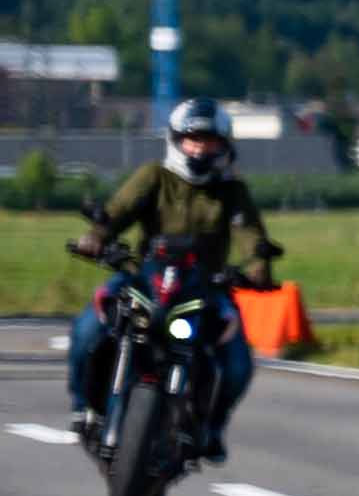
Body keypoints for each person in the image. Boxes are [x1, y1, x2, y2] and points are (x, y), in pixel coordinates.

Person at [68, 97, 282, 445]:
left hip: (206, 286)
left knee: (239, 362)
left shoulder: (231, 191)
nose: (199, 149)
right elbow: (117, 211)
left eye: (209, 141)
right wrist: (95, 237)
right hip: (145, 278)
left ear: (223, 146)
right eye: (192, 139)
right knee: (87, 330)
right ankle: (84, 408)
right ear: (176, 141)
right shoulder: (154, 177)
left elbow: (250, 234)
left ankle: (211, 427)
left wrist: (258, 267)